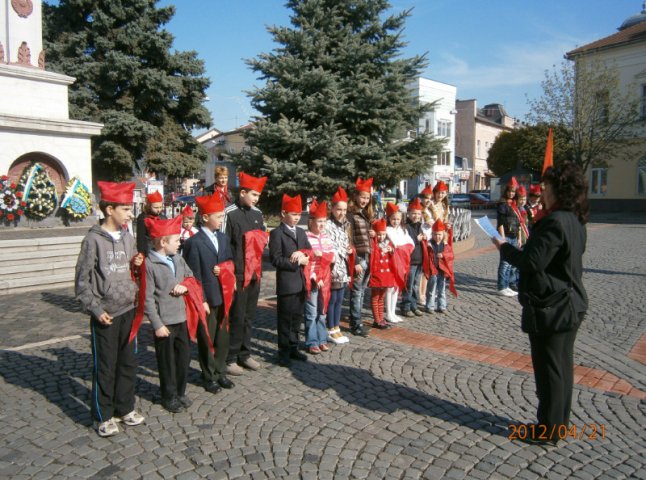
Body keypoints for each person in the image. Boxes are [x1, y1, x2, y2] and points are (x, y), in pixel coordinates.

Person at [493, 163, 589, 445]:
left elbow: (531, 262)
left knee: (550, 372)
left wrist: (503, 246)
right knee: (561, 368)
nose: (542, 191)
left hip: (554, 307)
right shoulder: (574, 219)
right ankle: (557, 426)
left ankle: (548, 430)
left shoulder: (555, 221)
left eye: (546, 186)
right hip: (568, 302)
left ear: (559, 190)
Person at [75, 181, 145, 437]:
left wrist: (137, 263)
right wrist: (94, 308)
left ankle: (124, 407)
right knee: (105, 366)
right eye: (126, 209)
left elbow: (133, 269)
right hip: (106, 315)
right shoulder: (92, 241)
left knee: (128, 363)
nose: (130, 214)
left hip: (128, 310)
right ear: (109, 209)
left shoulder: (128, 236)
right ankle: (102, 415)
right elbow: (82, 282)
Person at [183, 193, 235, 393]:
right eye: (219, 216)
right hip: (207, 297)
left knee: (222, 336)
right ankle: (209, 375)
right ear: (205, 217)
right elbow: (193, 276)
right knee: (207, 338)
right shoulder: (194, 243)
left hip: (224, 294)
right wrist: (201, 299)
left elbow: (230, 262)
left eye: (222, 216)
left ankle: (220, 371)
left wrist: (225, 270)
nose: (222, 220)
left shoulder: (223, 238)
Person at [143, 215, 194, 413]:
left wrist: (185, 287)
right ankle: (169, 395)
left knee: (183, 357)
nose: (180, 242)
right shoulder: (149, 265)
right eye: (176, 240)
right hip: (165, 322)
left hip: (181, 317)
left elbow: (190, 277)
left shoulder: (178, 258)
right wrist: (157, 324)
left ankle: (180, 392)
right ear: (163, 242)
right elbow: (147, 298)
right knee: (166, 361)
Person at [221, 172, 268, 375]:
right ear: (242, 192)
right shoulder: (229, 213)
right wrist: (229, 273)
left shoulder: (257, 214)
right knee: (237, 317)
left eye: (258, 196)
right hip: (238, 274)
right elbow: (224, 245)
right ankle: (230, 357)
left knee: (249, 316)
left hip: (254, 274)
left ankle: (245, 354)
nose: (256, 199)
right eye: (253, 194)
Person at [269, 194, 312, 366]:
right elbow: (276, 259)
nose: (297, 217)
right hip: (287, 283)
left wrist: (303, 254)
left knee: (297, 317)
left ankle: (294, 347)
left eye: (299, 214)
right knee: (285, 319)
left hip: (301, 282)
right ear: (283, 214)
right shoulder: (276, 233)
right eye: (293, 214)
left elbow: (308, 249)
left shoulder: (301, 232)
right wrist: (296, 262)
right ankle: (284, 351)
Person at [304, 200, 335, 354]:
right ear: (311, 222)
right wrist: (315, 276)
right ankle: (311, 341)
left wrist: (323, 255)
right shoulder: (306, 237)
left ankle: (322, 339)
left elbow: (332, 257)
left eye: (324, 221)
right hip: (312, 279)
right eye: (319, 221)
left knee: (322, 312)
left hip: (325, 279)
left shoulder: (326, 237)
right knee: (312, 312)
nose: (322, 224)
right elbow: (306, 259)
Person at [347, 177, 375, 337]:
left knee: (362, 290)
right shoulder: (351, 214)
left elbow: (364, 236)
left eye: (367, 197)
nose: (365, 200)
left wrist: (372, 232)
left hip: (367, 256)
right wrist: (356, 260)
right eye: (362, 197)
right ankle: (355, 323)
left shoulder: (365, 213)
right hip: (359, 258)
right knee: (357, 291)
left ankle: (358, 320)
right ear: (356, 196)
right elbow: (350, 239)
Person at [325, 186, 352, 345]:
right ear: (332, 208)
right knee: (333, 298)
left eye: (344, 209)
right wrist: (342, 250)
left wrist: (349, 248)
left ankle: (336, 326)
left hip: (343, 266)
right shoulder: (328, 224)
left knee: (340, 298)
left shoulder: (345, 224)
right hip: (333, 266)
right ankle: (331, 328)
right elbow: (329, 245)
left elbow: (344, 242)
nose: (342, 212)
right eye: (339, 209)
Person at [385, 202, 413, 323]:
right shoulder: (387, 230)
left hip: (401, 261)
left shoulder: (403, 230)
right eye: (393, 219)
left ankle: (393, 311)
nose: (395, 221)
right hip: (391, 262)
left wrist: (402, 248)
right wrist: (400, 247)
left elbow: (410, 243)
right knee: (390, 288)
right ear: (389, 218)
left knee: (397, 288)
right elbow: (393, 244)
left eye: (398, 219)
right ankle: (388, 313)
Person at [425, 219, 457, 313]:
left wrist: (444, 255)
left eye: (439, 234)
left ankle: (442, 306)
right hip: (433, 270)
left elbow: (451, 255)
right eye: (435, 234)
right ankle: (430, 306)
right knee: (431, 289)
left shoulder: (445, 245)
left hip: (442, 271)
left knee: (441, 289)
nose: (437, 236)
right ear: (432, 234)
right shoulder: (429, 244)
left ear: (443, 235)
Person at [402, 198, 428, 316]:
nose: (416, 216)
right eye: (413, 213)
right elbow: (405, 243)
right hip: (411, 260)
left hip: (420, 260)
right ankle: (406, 306)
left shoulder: (420, 226)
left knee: (416, 285)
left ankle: (414, 305)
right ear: (408, 213)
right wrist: (415, 240)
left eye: (418, 213)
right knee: (409, 284)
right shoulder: (406, 226)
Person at [496, 177, 520, 296]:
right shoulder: (502, 204)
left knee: (511, 262)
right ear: (506, 191)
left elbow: (519, 222)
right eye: (510, 191)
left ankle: (508, 285)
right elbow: (500, 222)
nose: (511, 193)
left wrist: (519, 238)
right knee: (505, 262)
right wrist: (502, 238)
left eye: (513, 191)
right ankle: (502, 286)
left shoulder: (514, 205)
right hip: (506, 236)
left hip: (514, 236)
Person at [368, 218, 394, 330]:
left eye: (383, 234)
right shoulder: (373, 243)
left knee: (381, 298)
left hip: (385, 276)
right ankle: (376, 320)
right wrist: (374, 238)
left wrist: (391, 250)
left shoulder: (388, 243)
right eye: (379, 235)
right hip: (376, 274)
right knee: (375, 297)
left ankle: (381, 318)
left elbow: (393, 255)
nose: (381, 237)